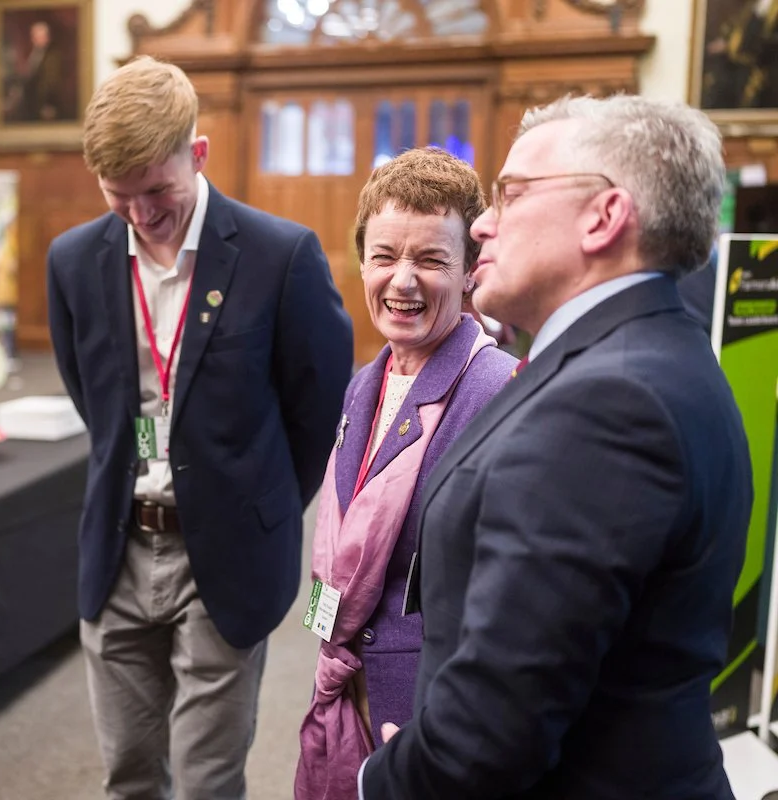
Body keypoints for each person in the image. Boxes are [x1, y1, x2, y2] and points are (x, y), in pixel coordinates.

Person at [360, 95, 752, 799]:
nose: (483, 222)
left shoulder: (612, 400)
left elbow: (497, 724)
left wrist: (383, 780)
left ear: (604, 217)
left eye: (510, 194)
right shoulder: (640, 355)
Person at [47, 56, 353, 799]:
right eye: (120, 197)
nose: (142, 214)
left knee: (208, 781)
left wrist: (258, 497)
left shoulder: (280, 256)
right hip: (118, 544)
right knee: (128, 773)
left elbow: (317, 409)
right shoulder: (74, 261)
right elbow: (92, 397)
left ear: (199, 154)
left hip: (226, 550)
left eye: (158, 191)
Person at [294, 148, 516, 799]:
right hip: (345, 680)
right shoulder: (365, 384)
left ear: (471, 270)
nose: (403, 280)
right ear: (361, 261)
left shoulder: (498, 389)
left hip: (427, 707)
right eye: (386, 256)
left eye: (431, 260)